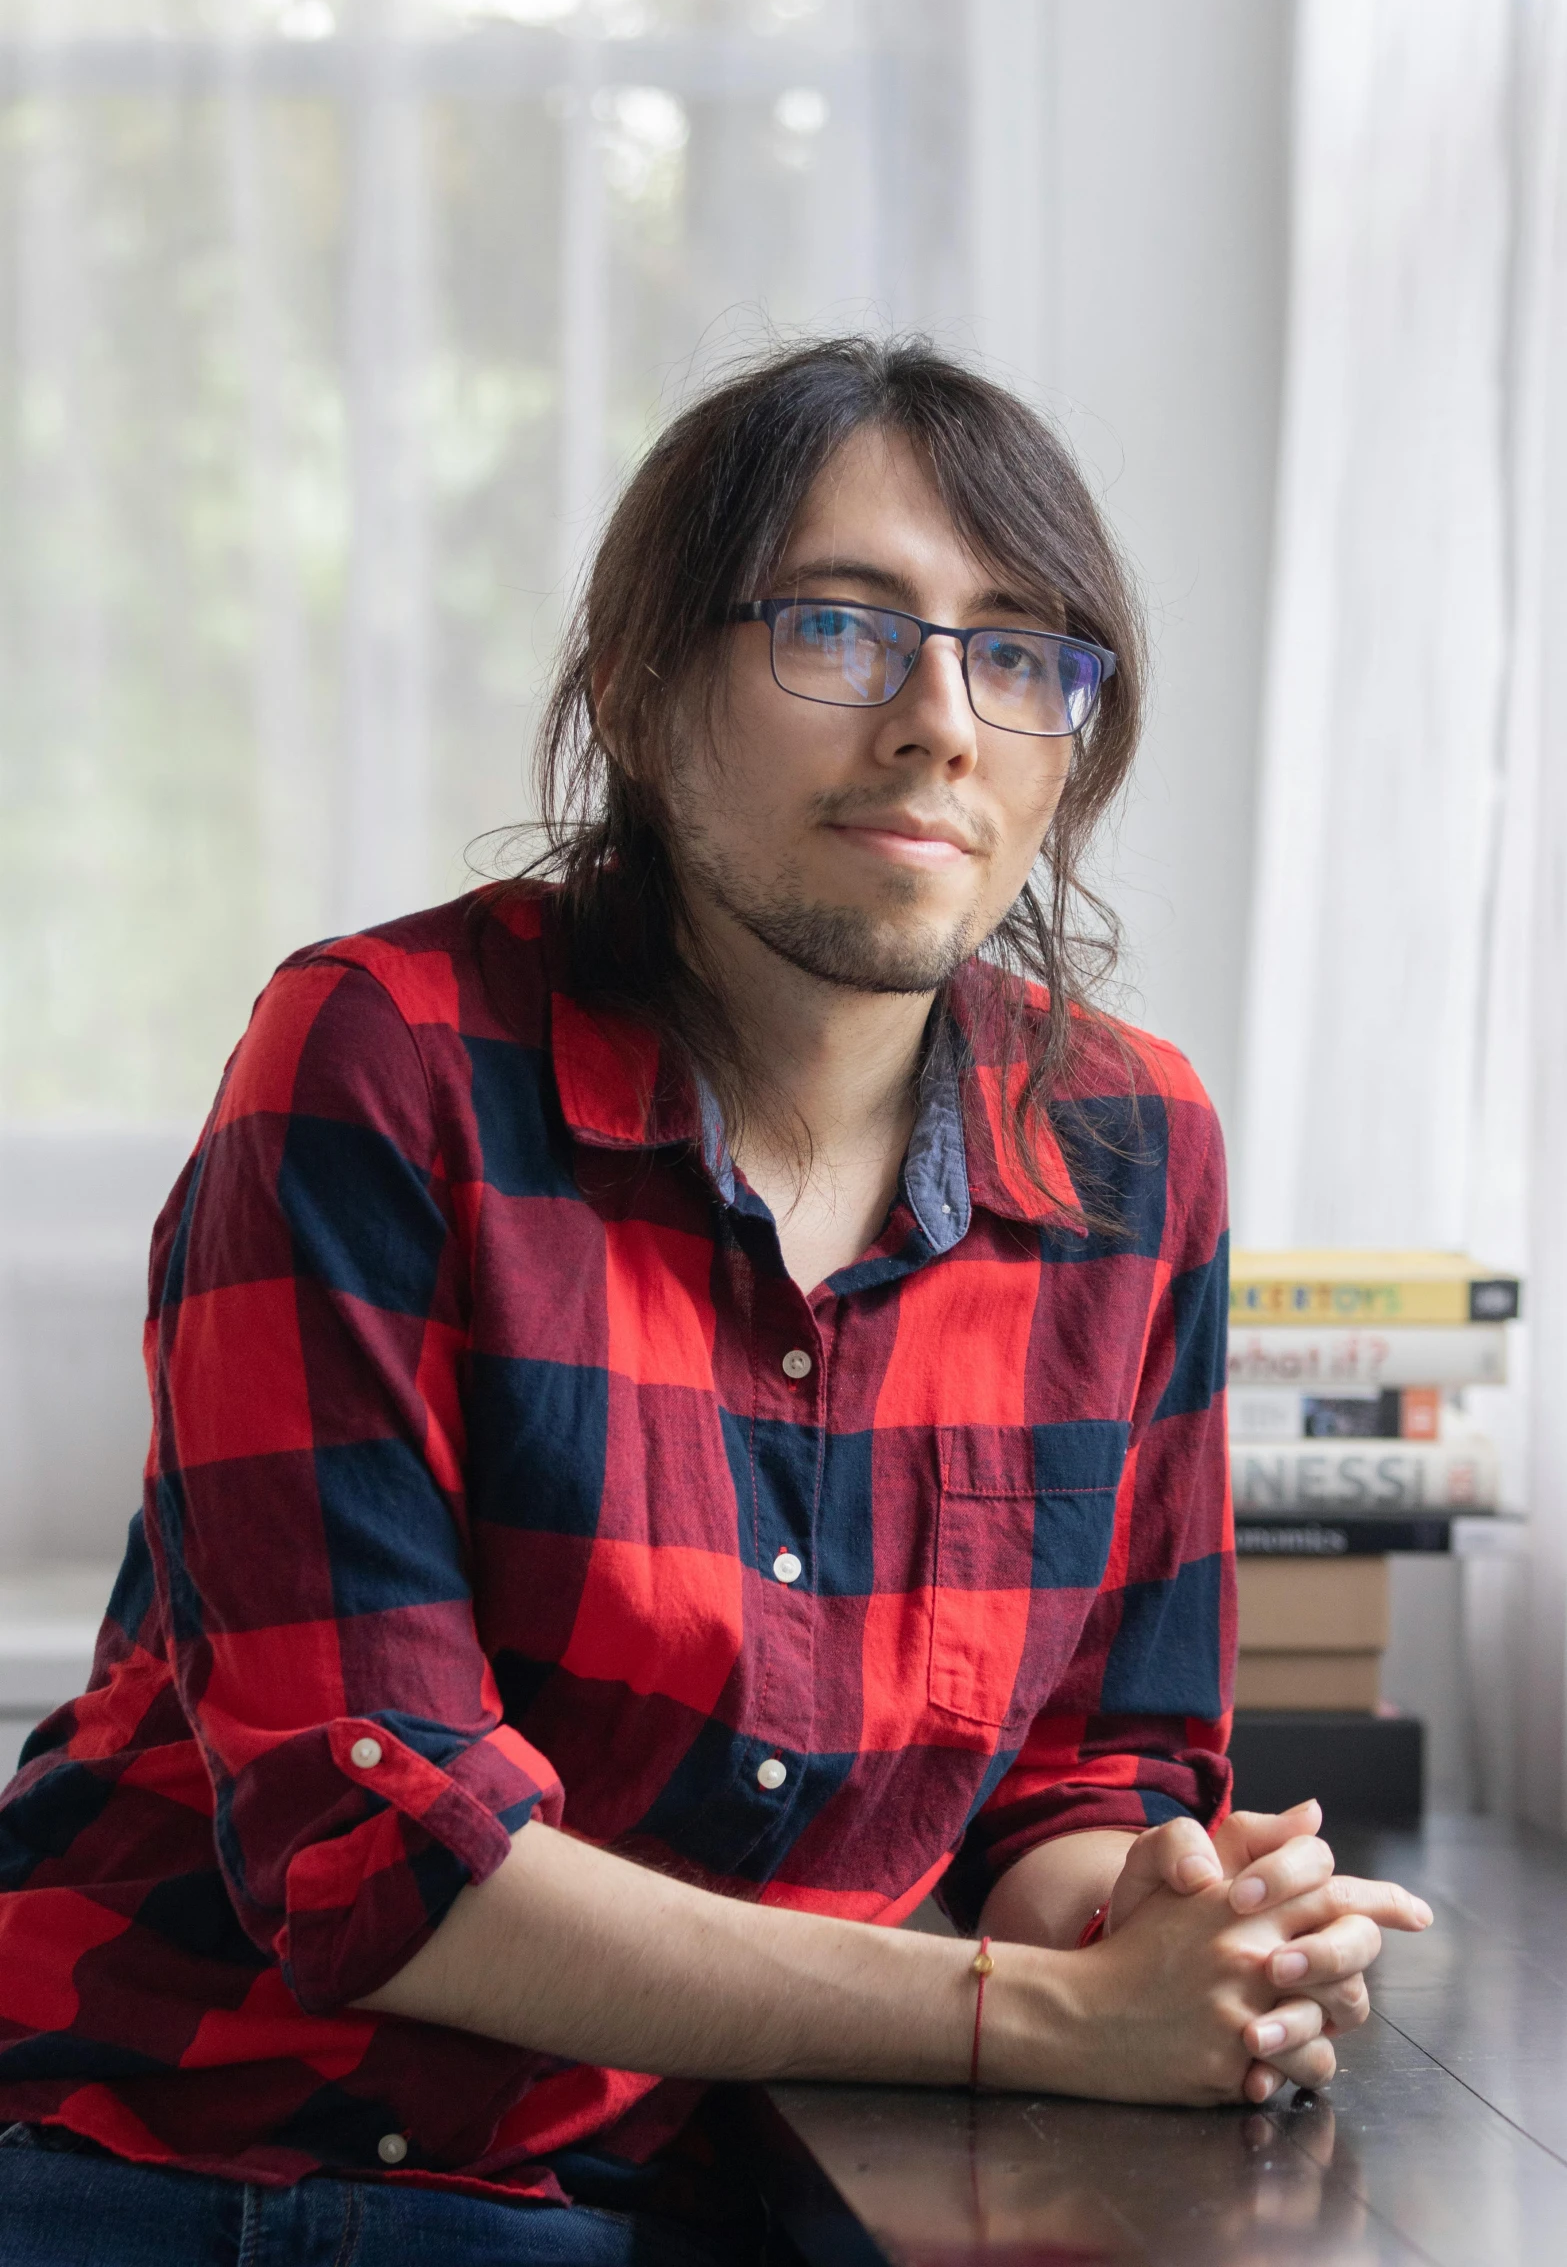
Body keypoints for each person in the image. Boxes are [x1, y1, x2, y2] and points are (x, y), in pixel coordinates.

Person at [0, 338, 1430, 2266]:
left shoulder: (1124, 1144)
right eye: (841, 627)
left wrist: (1183, 1922)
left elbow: (1083, 1776)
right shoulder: (380, 1059)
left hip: (710, 2170)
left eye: (1018, 653)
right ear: (641, 696)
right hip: (210, 2156)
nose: (940, 722)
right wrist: (1058, 2017)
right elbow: (389, 1868)